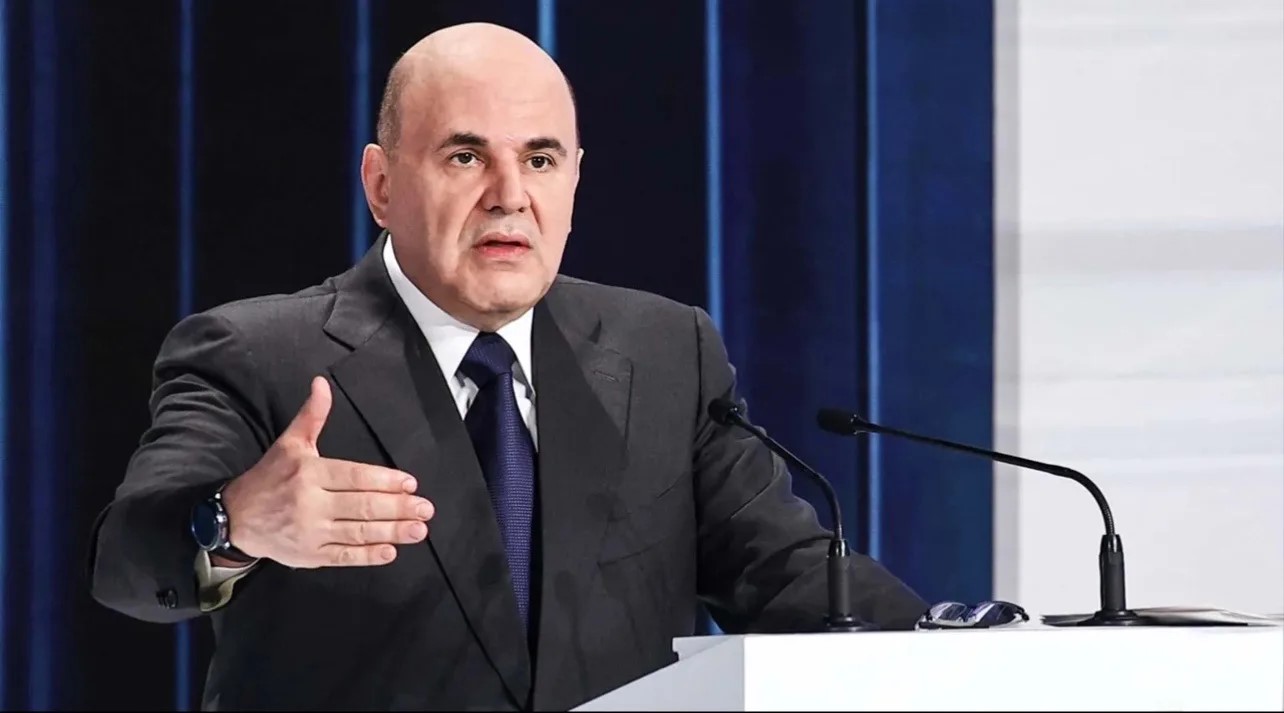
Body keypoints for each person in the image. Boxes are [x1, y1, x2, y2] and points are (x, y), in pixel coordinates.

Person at [88, 21, 926, 711]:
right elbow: (127, 561)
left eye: (540, 159)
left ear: (574, 181)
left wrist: (960, 641)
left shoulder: (667, 351)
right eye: (465, 157)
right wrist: (233, 522)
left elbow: (785, 573)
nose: (509, 194)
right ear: (381, 185)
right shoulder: (259, 355)